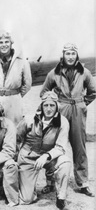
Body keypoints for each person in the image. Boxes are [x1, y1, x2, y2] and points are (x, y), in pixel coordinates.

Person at [40, 43, 96, 197]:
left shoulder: (84, 72)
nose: (70, 57)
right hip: (61, 108)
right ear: (63, 55)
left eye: (73, 53)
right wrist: (54, 104)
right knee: (54, 144)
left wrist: (83, 103)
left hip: (78, 109)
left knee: (80, 146)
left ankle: (83, 183)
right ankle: (51, 181)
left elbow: (93, 91)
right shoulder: (54, 73)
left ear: (76, 56)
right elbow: (44, 92)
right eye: (67, 53)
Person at [17, 91, 72, 210]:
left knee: (65, 162)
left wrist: (46, 156)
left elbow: (61, 147)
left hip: (48, 156)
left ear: (57, 106)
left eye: (52, 105)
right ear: (41, 106)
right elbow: (16, 138)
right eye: (45, 105)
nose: (48, 109)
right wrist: (16, 159)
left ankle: (61, 198)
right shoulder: (29, 119)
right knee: (26, 199)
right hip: (29, 157)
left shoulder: (63, 122)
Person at [0, 31, 32, 126]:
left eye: (6, 42)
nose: (4, 45)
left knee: (16, 130)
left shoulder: (22, 62)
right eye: (0, 42)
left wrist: (15, 95)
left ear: (11, 43)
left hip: (14, 101)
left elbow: (27, 84)